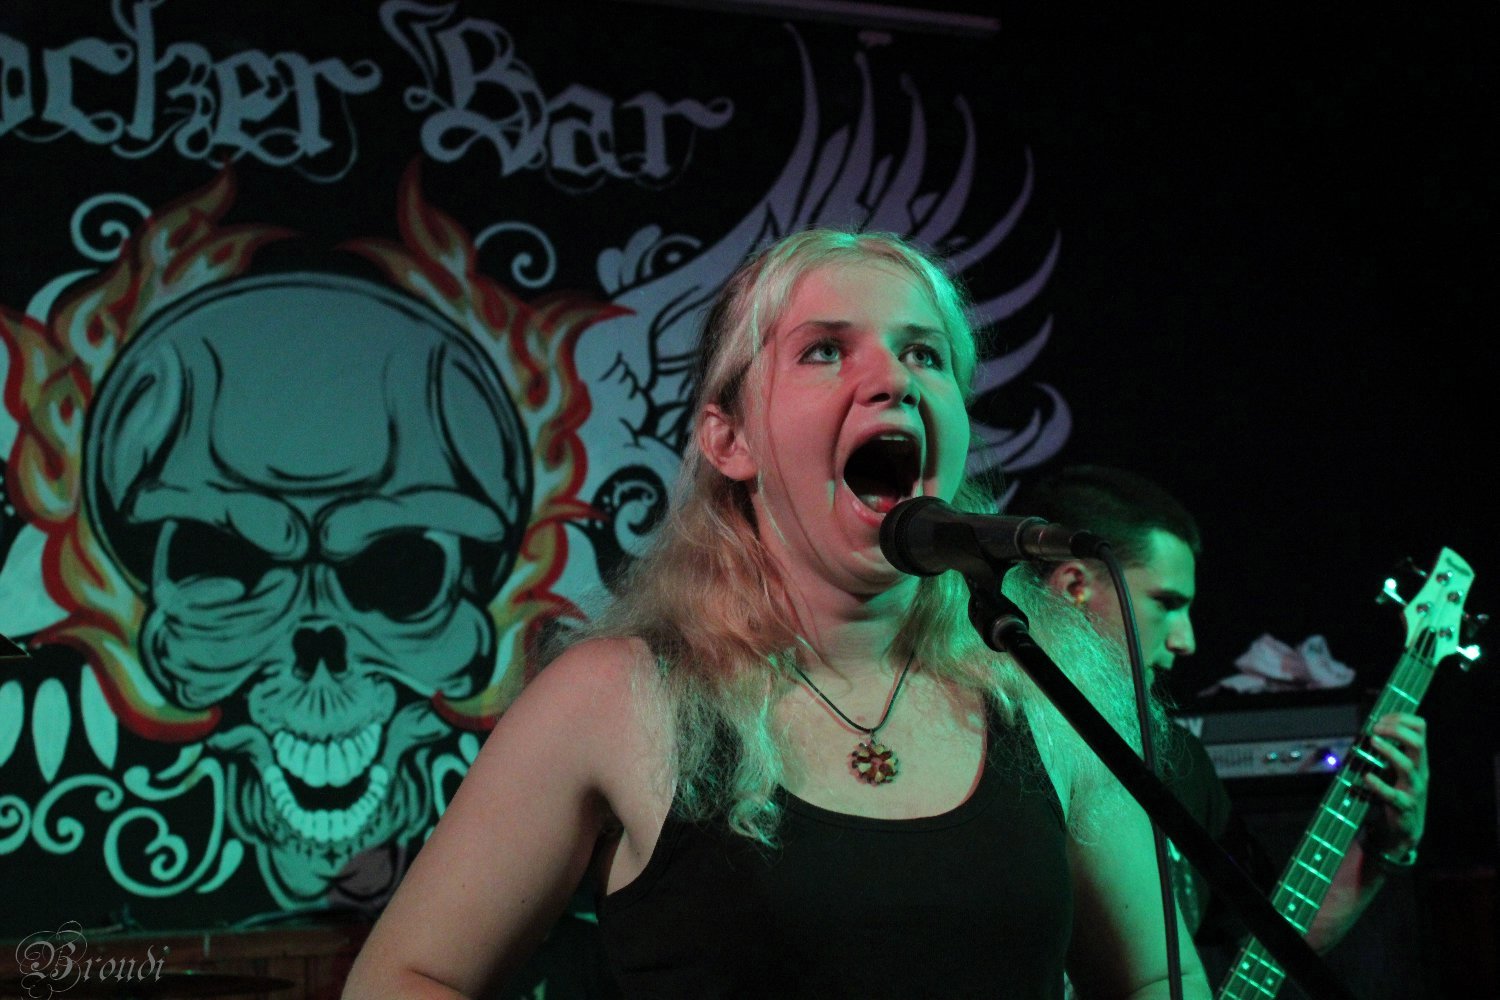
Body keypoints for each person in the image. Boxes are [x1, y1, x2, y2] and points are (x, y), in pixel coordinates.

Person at [340, 230, 1211, 999]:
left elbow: (1155, 976)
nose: (893, 380)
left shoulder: (1043, 687)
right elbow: (403, 978)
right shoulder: (617, 696)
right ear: (730, 440)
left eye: (925, 353)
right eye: (825, 350)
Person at [1008, 464, 1429, 989]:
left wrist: (1387, 848)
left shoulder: (1179, 758)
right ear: (1073, 586)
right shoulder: (993, 751)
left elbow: (1276, 943)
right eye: (1166, 604)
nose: (1185, 641)